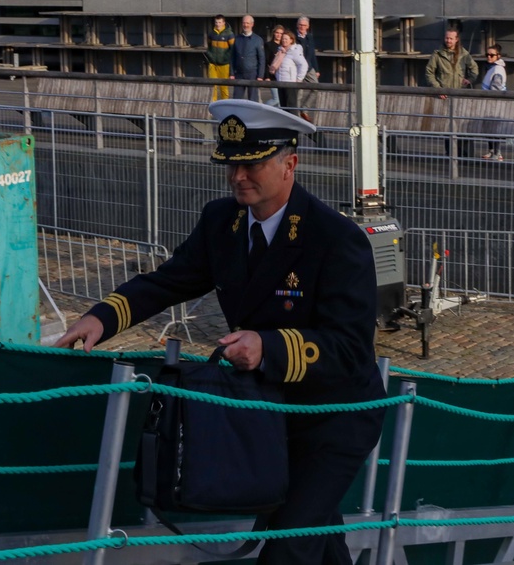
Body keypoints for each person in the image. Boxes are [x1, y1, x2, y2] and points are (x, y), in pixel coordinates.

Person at [56, 99, 386, 565]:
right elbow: (170, 280)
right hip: (270, 411)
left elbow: (351, 348)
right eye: (231, 166)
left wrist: (267, 346)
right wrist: (103, 317)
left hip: (335, 416)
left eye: (251, 165)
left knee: (289, 544)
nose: (237, 178)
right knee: (313, 529)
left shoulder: (336, 239)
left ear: (289, 163)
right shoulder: (222, 222)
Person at [426, 27, 479, 156]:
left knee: (463, 126)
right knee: (448, 127)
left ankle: (466, 154)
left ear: (456, 39)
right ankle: (450, 154)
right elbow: (429, 72)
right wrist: (438, 89)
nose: (448, 40)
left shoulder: (463, 54)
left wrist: (470, 80)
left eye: (451, 38)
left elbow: (474, 68)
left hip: (461, 96)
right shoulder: (437, 54)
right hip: (445, 97)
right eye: (446, 38)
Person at [271, 30, 309, 116]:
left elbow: (303, 65)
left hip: (290, 83)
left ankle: (294, 126)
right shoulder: (280, 51)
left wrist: (298, 79)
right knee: (284, 108)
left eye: (286, 39)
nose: (284, 40)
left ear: (291, 40)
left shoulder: (294, 51)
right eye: (283, 39)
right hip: (280, 82)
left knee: (291, 106)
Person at [480, 45, 507, 161]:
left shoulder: (497, 70)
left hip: (494, 104)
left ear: (498, 56)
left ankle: (497, 152)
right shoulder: (492, 68)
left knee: (495, 129)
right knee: (490, 128)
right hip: (490, 103)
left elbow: (495, 88)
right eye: (487, 55)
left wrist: (491, 102)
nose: (489, 57)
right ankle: (492, 151)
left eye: (492, 55)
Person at [231, 15, 265, 102]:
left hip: (252, 74)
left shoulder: (258, 40)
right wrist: (231, 73)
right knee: (236, 100)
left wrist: (260, 75)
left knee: (253, 100)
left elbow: (261, 59)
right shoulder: (237, 39)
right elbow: (232, 57)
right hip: (239, 74)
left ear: (252, 24)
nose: (245, 25)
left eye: (247, 23)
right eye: (244, 23)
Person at [295, 15, 319, 122]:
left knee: (316, 87)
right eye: (300, 25)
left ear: (308, 26)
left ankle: (304, 109)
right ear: (297, 25)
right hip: (297, 69)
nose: (302, 27)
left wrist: (316, 69)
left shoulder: (310, 37)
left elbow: (312, 54)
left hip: (309, 68)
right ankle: (296, 115)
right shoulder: (294, 38)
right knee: (298, 93)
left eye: (304, 25)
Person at [207, 14, 234, 103]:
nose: (218, 24)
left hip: (224, 64)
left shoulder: (229, 34)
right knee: (212, 86)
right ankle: (212, 105)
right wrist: (209, 55)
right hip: (212, 63)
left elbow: (233, 49)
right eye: (216, 22)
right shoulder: (211, 33)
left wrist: (226, 58)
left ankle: (225, 104)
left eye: (219, 22)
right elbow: (209, 46)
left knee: (223, 87)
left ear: (223, 23)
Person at [264, 24, 285, 107]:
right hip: (272, 76)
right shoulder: (268, 45)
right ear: (274, 33)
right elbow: (265, 61)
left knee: (280, 102)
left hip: (282, 76)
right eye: (277, 33)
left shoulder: (284, 46)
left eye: (281, 33)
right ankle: (262, 109)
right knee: (276, 99)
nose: (279, 35)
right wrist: (267, 76)